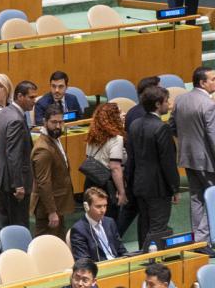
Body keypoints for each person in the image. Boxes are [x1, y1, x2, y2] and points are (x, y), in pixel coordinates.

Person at [129, 85, 179, 249]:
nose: (168, 104)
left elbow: (131, 158)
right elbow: (168, 162)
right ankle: (154, 261)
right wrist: (174, 188)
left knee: (144, 224)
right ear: (158, 104)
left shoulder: (135, 124)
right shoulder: (161, 127)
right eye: (166, 101)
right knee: (158, 227)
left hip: (139, 184)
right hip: (158, 187)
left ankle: (144, 257)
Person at [173, 66, 215, 244]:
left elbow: (172, 126)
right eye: (213, 79)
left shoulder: (180, 99)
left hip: (188, 158)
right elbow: (213, 137)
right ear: (202, 83)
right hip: (207, 161)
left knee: (196, 198)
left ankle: (199, 240)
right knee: (211, 198)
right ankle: (205, 238)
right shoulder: (209, 105)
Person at [0, 81, 38, 231]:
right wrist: (18, 184)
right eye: (31, 97)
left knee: (1, 224)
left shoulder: (5, 112)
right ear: (20, 96)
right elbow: (14, 155)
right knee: (18, 227)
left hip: (1, 178)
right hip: (12, 183)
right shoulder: (16, 120)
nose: (34, 101)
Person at [31, 105, 73, 239]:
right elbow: (43, 183)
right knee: (45, 245)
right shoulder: (43, 149)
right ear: (45, 122)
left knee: (59, 243)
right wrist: (52, 211)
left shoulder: (54, 139)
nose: (58, 126)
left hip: (58, 205)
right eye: (54, 122)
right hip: (48, 209)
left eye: (61, 122)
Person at [82, 103, 128, 223]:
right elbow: (115, 167)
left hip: (90, 182)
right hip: (107, 187)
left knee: (93, 220)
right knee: (109, 221)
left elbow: (88, 156)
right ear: (112, 117)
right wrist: (122, 192)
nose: (124, 114)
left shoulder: (92, 135)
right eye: (119, 112)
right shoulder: (116, 139)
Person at [71, 188, 126, 262]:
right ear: (86, 207)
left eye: (105, 206)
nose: (103, 210)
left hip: (117, 263)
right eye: (98, 206)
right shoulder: (79, 229)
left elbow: (121, 250)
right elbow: (83, 261)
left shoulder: (109, 222)